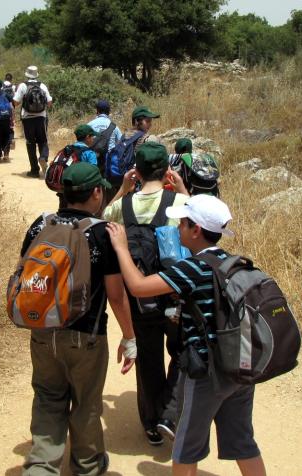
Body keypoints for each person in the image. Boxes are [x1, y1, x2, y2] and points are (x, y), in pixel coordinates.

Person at [106, 194, 267, 476]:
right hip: (239, 368)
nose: (177, 227)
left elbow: (138, 286)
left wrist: (120, 248)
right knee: (243, 441)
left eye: (182, 223)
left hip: (207, 373)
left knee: (186, 447)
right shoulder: (234, 262)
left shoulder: (193, 268)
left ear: (195, 230)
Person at [20, 162, 137, 476]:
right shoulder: (102, 234)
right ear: (96, 192)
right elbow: (115, 296)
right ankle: (87, 467)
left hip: (43, 332)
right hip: (87, 336)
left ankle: (41, 467)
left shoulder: (39, 225)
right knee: (86, 404)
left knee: (47, 398)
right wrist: (129, 337)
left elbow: (26, 275)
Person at [103, 141, 190, 446]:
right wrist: (180, 187)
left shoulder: (122, 207)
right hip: (173, 295)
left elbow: (103, 218)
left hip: (139, 298)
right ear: (167, 171)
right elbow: (196, 225)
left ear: (136, 171)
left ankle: (152, 425)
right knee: (183, 352)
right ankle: (171, 412)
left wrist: (123, 189)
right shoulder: (177, 203)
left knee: (148, 358)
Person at [14, 65, 53, 178]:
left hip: (27, 119)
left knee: (30, 143)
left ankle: (34, 170)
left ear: (27, 75)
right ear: (36, 75)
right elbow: (50, 102)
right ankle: (43, 157)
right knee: (43, 140)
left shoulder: (23, 86)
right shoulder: (42, 85)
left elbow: (16, 102)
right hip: (41, 118)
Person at [53, 125, 100, 210]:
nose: (93, 139)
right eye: (92, 136)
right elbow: (93, 173)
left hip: (64, 187)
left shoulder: (67, 149)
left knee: (63, 211)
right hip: (78, 193)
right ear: (87, 137)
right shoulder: (89, 153)